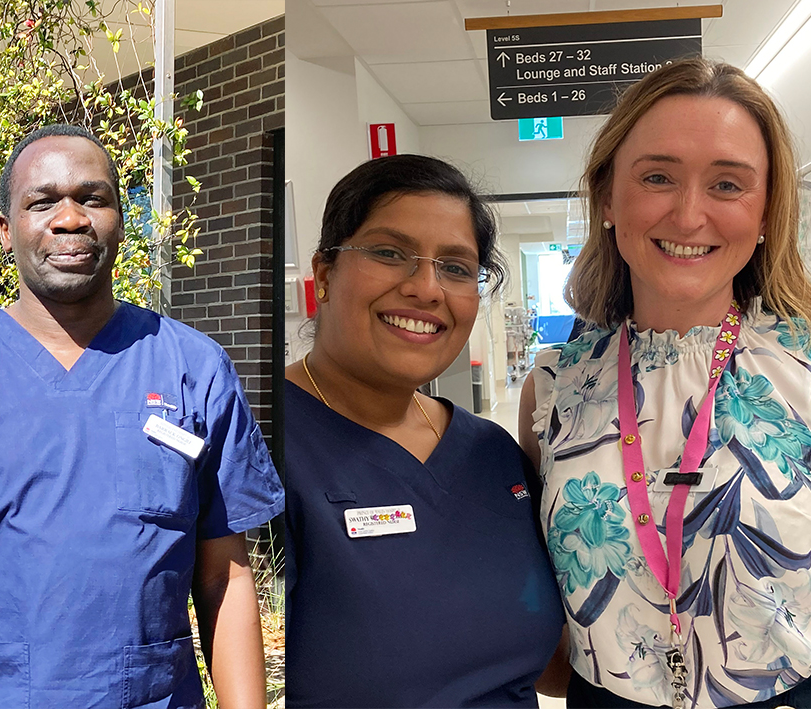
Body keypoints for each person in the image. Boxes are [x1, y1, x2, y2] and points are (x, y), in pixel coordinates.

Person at [0, 124, 284, 708]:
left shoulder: (193, 368)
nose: (70, 219)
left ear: (120, 217)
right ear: (7, 230)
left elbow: (225, 576)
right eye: (42, 202)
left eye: (93, 199)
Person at [519, 57, 811, 709]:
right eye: (656, 176)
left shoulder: (803, 367)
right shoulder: (552, 384)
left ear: (766, 210)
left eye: (727, 185)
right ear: (606, 197)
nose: (686, 215)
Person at [285, 154, 565, 708]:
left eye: (456, 267)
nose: (427, 288)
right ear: (323, 273)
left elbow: (553, 667)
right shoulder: (262, 441)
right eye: (390, 254)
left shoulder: (492, 455)